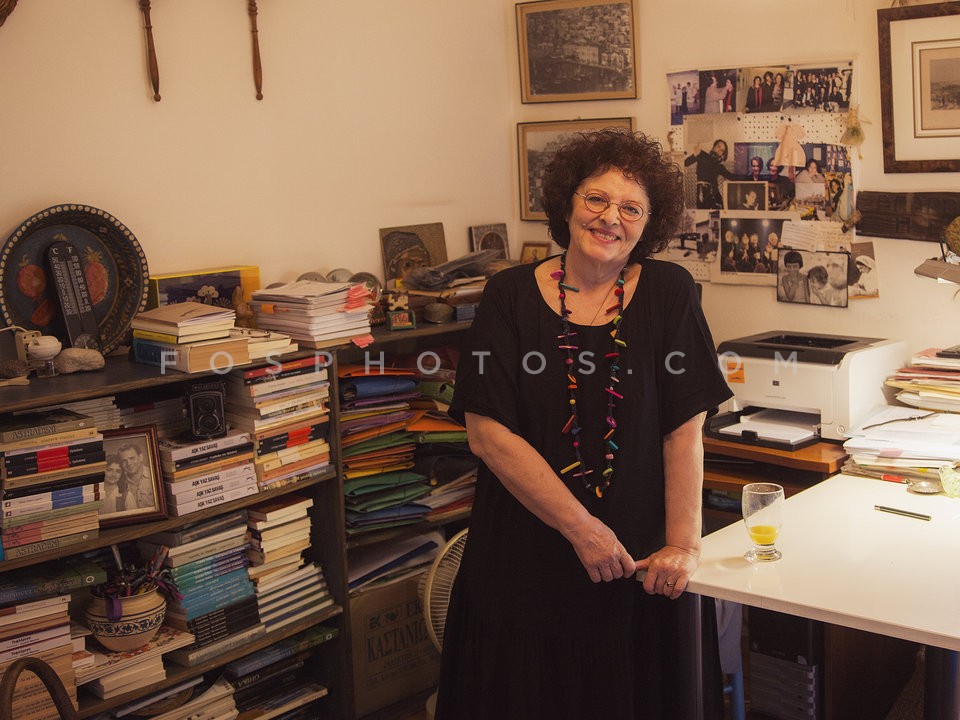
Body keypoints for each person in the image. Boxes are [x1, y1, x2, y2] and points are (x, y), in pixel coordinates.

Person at [435, 128, 734, 720]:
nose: (610, 218)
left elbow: (684, 428)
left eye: (631, 208)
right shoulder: (507, 295)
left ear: (649, 223)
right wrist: (583, 531)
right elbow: (487, 433)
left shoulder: (670, 291)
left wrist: (683, 545)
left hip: (640, 564)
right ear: (567, 202)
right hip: (525, 562)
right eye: (596, 198)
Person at [684, 139, 734, 209]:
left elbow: (732, 177)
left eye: (722, 150)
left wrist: (749, 177)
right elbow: (686, 163)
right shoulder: (702, 155)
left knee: (720, 214)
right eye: (718, 146)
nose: (719, 150)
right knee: (703, 213)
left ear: (722, 155)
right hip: (702, 193)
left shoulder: (719, 166)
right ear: (714, 147)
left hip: (716, 197)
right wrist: (694, 155)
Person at [117, 442, 155, 510]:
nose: (129, 463)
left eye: (132, 458)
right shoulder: (119, 482)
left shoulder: (154, 474)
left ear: (141, 457)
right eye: (124, 461)